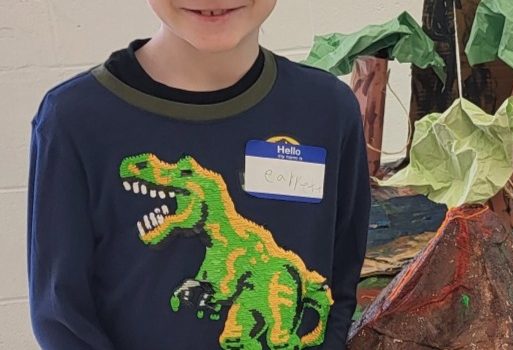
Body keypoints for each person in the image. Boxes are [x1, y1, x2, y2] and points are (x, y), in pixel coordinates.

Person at [27, 1, 370, 349]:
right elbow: (63, 318)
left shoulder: (329, 111)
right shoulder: (73, 120)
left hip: (271, 286)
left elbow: (340, 280)